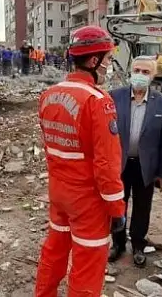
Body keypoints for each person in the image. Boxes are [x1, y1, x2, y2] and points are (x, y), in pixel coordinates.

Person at [35, 25, 126, 296]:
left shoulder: (48, 95)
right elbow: (106, 165)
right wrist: (117, 209)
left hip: (59, 192)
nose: (108, 66)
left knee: (54, 251)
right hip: (88, 200)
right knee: (87, 266)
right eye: (107, 60)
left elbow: (52, 148)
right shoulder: (98, 101)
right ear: (93, 61)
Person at [108, 56, 162, 267]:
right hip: (119, 164)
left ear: (153, 76)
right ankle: (118, 244)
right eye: (137, 70)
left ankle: (138, 245)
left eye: (146, 72)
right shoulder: (114, 97)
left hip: (146, 166)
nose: (140, 75)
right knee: (118, 206)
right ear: (130, 71)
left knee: (143, 208)